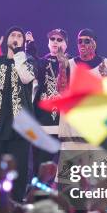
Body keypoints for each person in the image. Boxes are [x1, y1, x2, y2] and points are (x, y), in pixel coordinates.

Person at [0, 26, 35, 200]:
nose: (16, 38)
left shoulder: (28, 61)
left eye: (19, 36)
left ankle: (16, 204)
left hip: (20, 127)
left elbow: (26, 77)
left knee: (18, 169)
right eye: (13, 35)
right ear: (7, 39)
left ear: (23, 42)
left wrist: (19, 54)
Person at [57, 28, 107, 151]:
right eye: (80, 41)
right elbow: (61, 91)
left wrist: (105, 75)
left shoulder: (106, 64)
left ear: (94, 43)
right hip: (73, 130)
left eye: (87, 41)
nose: (82, 44)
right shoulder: (68, 64)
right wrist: (62, 68)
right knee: (72, 170)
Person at [32, 29, 69, 169]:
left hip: (66, 127)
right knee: (40, 169)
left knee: (67, 172)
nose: (55, 42)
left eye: (60, 40)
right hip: (43, 124)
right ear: (48, 43)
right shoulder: (40, 63)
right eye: (52, 39)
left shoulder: (72, 63)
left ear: (66, 44)